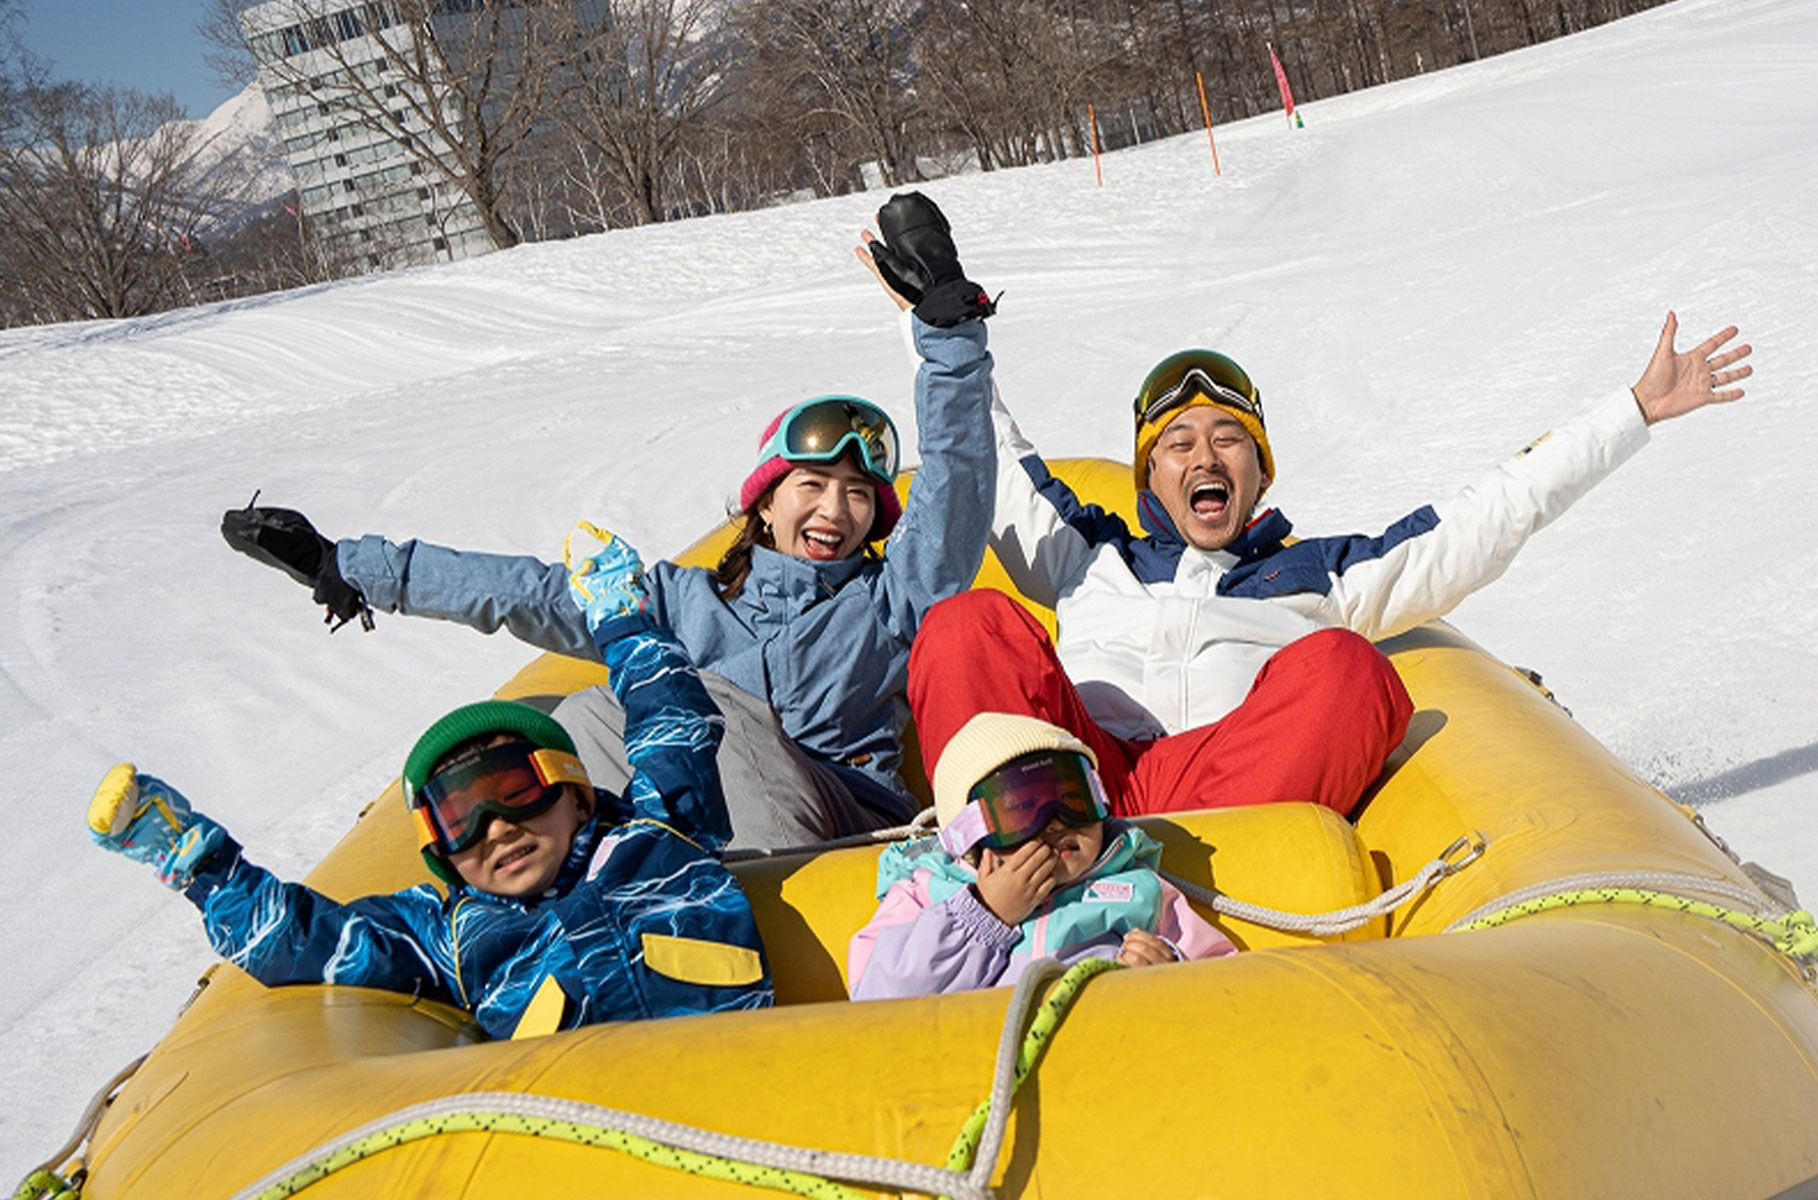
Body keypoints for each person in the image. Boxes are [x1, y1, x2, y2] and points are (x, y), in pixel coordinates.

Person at [888, 218, 1751, 817]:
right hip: (1065, 785)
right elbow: (993, 460)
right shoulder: (1086, 554)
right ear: (1150, 475)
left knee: (1347, 668)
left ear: (1260, 471)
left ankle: (1191, 890)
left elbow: (1492, 512)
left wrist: (1631, 412)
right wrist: (936, 327)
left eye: (1229, 439)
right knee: (969, 624)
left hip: (1223, 795)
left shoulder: (1325, 574)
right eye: (1178, 442)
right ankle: (1003, 857)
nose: (1205, 457)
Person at [220, 198, 1000, 847]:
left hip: (833, 830)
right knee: (573, 714)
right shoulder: (683, 600)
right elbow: (528, 593)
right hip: (693, 826)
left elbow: (956, 485)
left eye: (859, 495)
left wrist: (950, 342)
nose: (835, 509)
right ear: (764, 500)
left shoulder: (890, 601)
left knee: (695, 704)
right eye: (813, 484)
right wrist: (348, 566)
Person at [87, 525, 771, 1040]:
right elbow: (306, 941)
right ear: (436, 848)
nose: (495, 827)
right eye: (458, 818)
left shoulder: (660, 829)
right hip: (593, 1138)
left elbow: (670, 717)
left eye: (513, 788)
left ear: (575, 790)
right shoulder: (447, 931)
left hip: (743, 1079)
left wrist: (624, 622)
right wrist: (199, 864)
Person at [847, 712, 1234, 999]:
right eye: (1021, 811)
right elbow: (875, 999)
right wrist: (983, 916)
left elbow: (1225, 978)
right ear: (969, 836)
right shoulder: (926, 894)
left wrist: (1171, 970)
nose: (1054, 825)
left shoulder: (1137, 888)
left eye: (1073, 801)